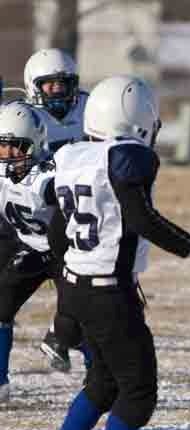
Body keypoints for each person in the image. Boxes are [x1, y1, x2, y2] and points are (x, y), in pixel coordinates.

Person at [26, 75, 190, 430]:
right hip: (108, 293)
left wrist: (69, 289)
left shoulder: (72, 155)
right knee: (137, 390)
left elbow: (58, 232)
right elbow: (141, 218)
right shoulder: (127, 157)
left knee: (103, 384)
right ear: (139, 121)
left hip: (78, 284)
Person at [23, 48, 92, 370]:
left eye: (64, 84)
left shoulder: (91, 109)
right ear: (33, 86)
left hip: (80, 212)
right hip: (36, 218)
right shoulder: (23, 117)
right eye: (50, 84)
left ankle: (66, 340)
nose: (59, 91)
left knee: (93, 290)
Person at [0, 101, 58, 402]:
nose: (8, 155)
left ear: (34, 146)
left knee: (87, 317)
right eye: (2, 147)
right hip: (31, 247)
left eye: (16, 147)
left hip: (67, 253)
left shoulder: (49, 177)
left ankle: (100, 374)